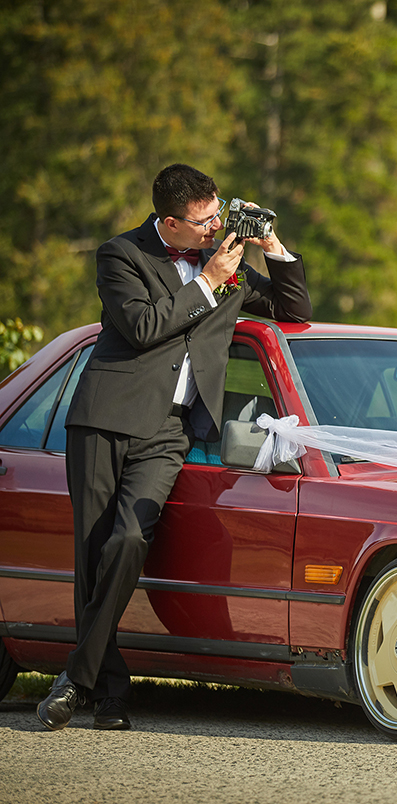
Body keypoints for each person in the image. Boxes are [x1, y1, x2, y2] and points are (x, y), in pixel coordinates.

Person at [37, 164, 312, 731]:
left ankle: (76, 679)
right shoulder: (121, 254)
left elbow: (295, 310)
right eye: (204, 221)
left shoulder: (227, 264)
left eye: (218, 214)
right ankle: (110, 694)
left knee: (128, 539)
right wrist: (206, 283)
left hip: (170, 430)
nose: (215, 227)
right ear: (170, 223)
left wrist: (272, 247)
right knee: (93, 556)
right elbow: (141, 327)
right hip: (104, 418)